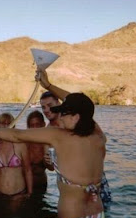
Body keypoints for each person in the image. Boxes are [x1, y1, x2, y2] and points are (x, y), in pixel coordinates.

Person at [0, 93, 108, 218]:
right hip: (98, 217)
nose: (59, 116)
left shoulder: (58, 136)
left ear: (76, 117)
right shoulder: (98, 137)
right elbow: (87, 109)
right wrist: (48, 86)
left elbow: (17, 135)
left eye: (63, 113)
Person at [38, 70, 112, 208]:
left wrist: (48, 85)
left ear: (60, 104)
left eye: (50, 106)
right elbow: (50, 167)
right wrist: (47, 161)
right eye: (43, 107)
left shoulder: (80, 121)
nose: (47, 110)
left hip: (94, 185)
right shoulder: (48, 132)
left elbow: (79, 103)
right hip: (71, 192)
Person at [0, 113, 33, 199]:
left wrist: (30, 193)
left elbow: (28, 170)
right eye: (3, 123)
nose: (6, 126)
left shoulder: (20, 145)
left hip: (18, 194)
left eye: (9, 123)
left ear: (13, 127)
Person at [26, 110, 54, 193]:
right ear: (28, 127)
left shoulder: (47, 144)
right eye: (32, 125)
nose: (35, 128)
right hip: (24, 185)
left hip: (41, 184)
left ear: (43, 125)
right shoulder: (24, 143)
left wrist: (48, 160)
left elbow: (51, 168)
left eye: (37, 125)